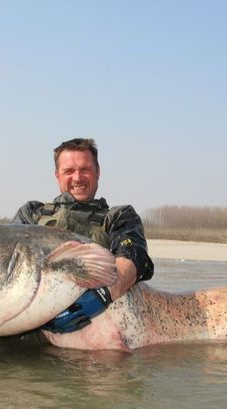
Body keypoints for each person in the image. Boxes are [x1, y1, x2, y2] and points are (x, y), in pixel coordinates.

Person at [13, 138, 154, 333]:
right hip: (25, 330)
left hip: (94, 333)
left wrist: (100, 298)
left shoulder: (119, 216)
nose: (78, 178)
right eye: (69, 171)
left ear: (98, 172)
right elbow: (8, 261)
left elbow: (135, 258)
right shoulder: (31, 213)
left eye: (85, 169)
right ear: (57, 175)